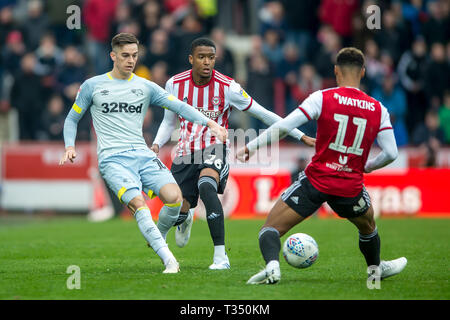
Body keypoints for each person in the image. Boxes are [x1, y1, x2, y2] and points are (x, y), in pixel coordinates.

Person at [59, 33, 227, 274]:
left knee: (175, 197)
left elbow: (179, 106)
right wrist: (69, 146)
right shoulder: (92, 86)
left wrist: (210, 123)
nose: (130, 60)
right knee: (139, 204)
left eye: (134, 56)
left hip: (143, 154)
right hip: (112, 159)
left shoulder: (145, 86)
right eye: (125, 55)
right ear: (113, 56)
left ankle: (162, 232)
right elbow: (72, 119)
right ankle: (169, 259)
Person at [237, 47, 407, 284]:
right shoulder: (379, 109)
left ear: (336, 70)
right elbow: (391, 153)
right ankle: (375, 270)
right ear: (363, 72)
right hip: (350, 187)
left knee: (269, 230)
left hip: (316, 182)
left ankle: (273, 267)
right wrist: (368, 166)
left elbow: (285, 126)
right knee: (368, 227)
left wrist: (251, 147)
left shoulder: (322, 97)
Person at [151, 37, 315, 270]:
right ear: (191, 59)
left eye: (211, 57)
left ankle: (220, 258)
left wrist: (300, 135)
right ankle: (184, 218)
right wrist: (157, 144)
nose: (207, 62)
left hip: (214, 147)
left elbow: (263, 113)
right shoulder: (174, 84)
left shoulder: (228, 86)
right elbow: (169, 122)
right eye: (201, 57)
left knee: (207, 186)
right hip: (185, 152)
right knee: (177, 208)